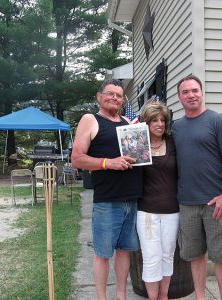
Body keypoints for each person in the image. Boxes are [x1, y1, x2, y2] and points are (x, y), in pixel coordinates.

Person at [71, 79, 142, 300]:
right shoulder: (90, 120)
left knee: (124, 251)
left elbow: (138, 156)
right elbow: (77, 159)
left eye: (119, 95)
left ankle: (121, 295)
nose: (114, 98)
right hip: (107, 200)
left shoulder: (128, 122)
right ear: (99, 96)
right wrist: (107, 163)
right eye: (110, 93)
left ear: (123, 100)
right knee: (103, 254)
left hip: (132, 198)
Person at [172, 75, 222, 300]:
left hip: (215, 203)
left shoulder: (218, 121)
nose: (190, 95)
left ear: (202, 92)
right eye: (185, 92)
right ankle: (200, 296)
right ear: (179, 97)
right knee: (194, 255)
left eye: (194, 90)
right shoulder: (176, 128)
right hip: (187, 203)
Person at [137, 101, 179, 300]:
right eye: (154, 120)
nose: (160, 124)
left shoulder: (172, 142)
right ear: (146, 122)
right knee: (151, 257)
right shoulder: (138, 144)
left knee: (167, 256)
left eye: (162, 120)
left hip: (172, 210)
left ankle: (164, 296)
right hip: (146, 211)